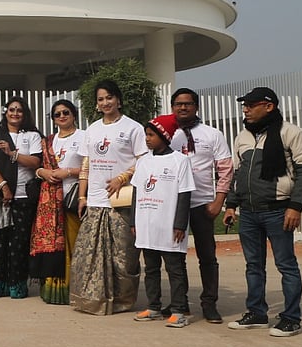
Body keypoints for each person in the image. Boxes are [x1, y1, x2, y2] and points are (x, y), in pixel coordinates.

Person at [224, 87, 302, 337]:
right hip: (249, 213)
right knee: (253, 265)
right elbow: (238, 174)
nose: (246, 110)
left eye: (251, 105)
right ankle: (257, 313)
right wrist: (231, 205)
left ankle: (291, 318)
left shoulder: (291, 133)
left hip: (279, 211)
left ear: (269, 106)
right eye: (244, 105)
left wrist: (295, 207)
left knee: (286, 265)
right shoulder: (243, 136)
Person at [70, 80, 147, 315]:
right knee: (88, 256)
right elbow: (86, 164)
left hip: (120, 200)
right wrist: (82, 196)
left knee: (123, 257)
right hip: (95, 200)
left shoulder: (133, 128)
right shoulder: (92, 129)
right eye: (101, 99)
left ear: (118, 100)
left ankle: (122, 301)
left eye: (109, 98)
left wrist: (122, 178)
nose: (105, 103)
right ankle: (93, 300)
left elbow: (143, 160)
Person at [168, 88, 233, 323]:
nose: (182, 108)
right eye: (178, 104)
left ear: (196, 106)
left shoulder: (212, 134)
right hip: (173, 205)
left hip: (202, 203)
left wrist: (219, 201)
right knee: (175, 256)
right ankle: (180, 303)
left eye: (187, 104)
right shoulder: (167, 134)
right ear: (172, 106)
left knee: (207, 255)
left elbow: (225, 169)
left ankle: (209, 304)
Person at [131, 114, 194, 328]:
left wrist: (179, 224)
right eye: (145, 135)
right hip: (147, 225)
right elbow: (136, 192)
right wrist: (134, 222)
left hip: (168, 226)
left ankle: (178, 309)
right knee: (151, 268)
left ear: (164, 136)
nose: (147, 139)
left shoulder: (180, 161)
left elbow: (184, 194)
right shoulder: (143, 162)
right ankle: (154, 306)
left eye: (151, 135)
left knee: (175, 269)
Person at [0, 97, 42, 298]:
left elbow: (35, 161)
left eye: (19, 110)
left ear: (25, 114)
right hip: (1, 197)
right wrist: (3, 186)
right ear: (5, 112)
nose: (15, 113)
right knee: (0, 241)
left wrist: (12, 154)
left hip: (25, 196)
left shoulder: (32, 135)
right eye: (12, 110)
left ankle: (17, 283)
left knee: (20, 242)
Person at [31, 99, 84, 305]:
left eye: (66, 112)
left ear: (74, 115)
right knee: (54, 247)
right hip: (50, 202)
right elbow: (38, 167)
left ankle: (75, 289)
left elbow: (93, 167)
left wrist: (68, 172)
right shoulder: (48, 141)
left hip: (74, 198)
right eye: (57, 114)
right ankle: (54, 290)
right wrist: (42, 171)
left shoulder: (83, 137)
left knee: (74, 245)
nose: (62, 117)